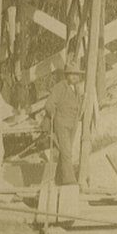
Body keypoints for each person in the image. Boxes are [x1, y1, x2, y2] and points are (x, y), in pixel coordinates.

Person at [44, 61, 86, 189]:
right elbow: (49, 104)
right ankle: (69, 180)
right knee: (67, 151)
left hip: (72, 124)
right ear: (66, 75)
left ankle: (59, 178)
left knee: (64, 152)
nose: (75, 77)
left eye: (77, 74)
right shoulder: (60, 87)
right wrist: (52, 115)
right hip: (61, 123)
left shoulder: (77, 89)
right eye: (72, 74)